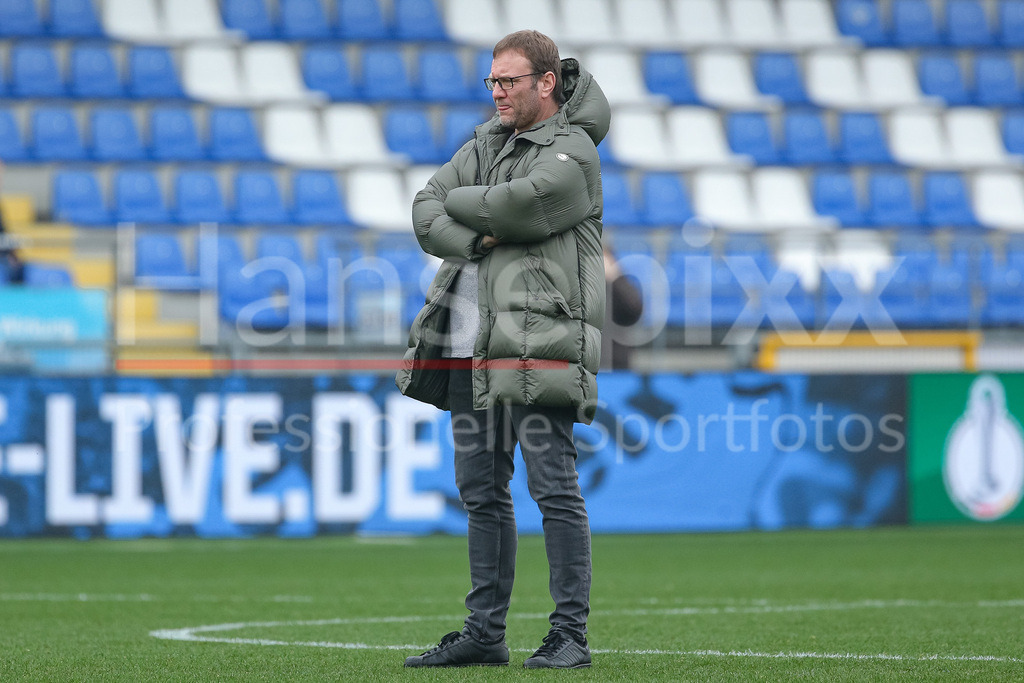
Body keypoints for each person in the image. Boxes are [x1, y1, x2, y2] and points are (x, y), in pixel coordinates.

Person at [395, 30, 609, 670]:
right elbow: (423, 208)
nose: (497, 92)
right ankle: (484, 634)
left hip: (537, 341)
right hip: (469, 346)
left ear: (547, 82)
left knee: (554, 489)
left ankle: (570, 634)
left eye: (509, 81)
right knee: (482, 493)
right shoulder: (488, 139)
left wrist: (469, 214)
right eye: (492, 81)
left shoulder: (574, 151)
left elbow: (520, 207)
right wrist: (476, 235)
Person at [601, 245, 644, 370]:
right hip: (585, 364)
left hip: (616, 363)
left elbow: (633, 309)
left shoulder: (620, 286)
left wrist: (614, 277)